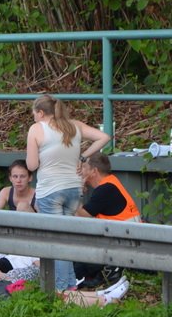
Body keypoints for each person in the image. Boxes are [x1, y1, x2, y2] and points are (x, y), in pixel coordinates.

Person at [25, 94, 109, 292]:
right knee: (66, 238)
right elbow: (104, 137)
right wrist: (82, 156)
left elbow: (32, 164)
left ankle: (61, 289)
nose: (34, 118)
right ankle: (71, 286)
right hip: (73, 189)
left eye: (34, 114)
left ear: (40, 112)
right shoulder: (74, 126)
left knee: (55, 241)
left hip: (50, 190)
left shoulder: (37, 129)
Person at [72, 153, 141, 289]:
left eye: (85, 168)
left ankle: (108, 272)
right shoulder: (111, 182)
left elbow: (81, 215)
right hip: (125, 238)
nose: (81, 172)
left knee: (77, 265)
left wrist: (77, 191)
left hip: (122, 244)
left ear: (94, 171)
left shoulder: (104, 189)